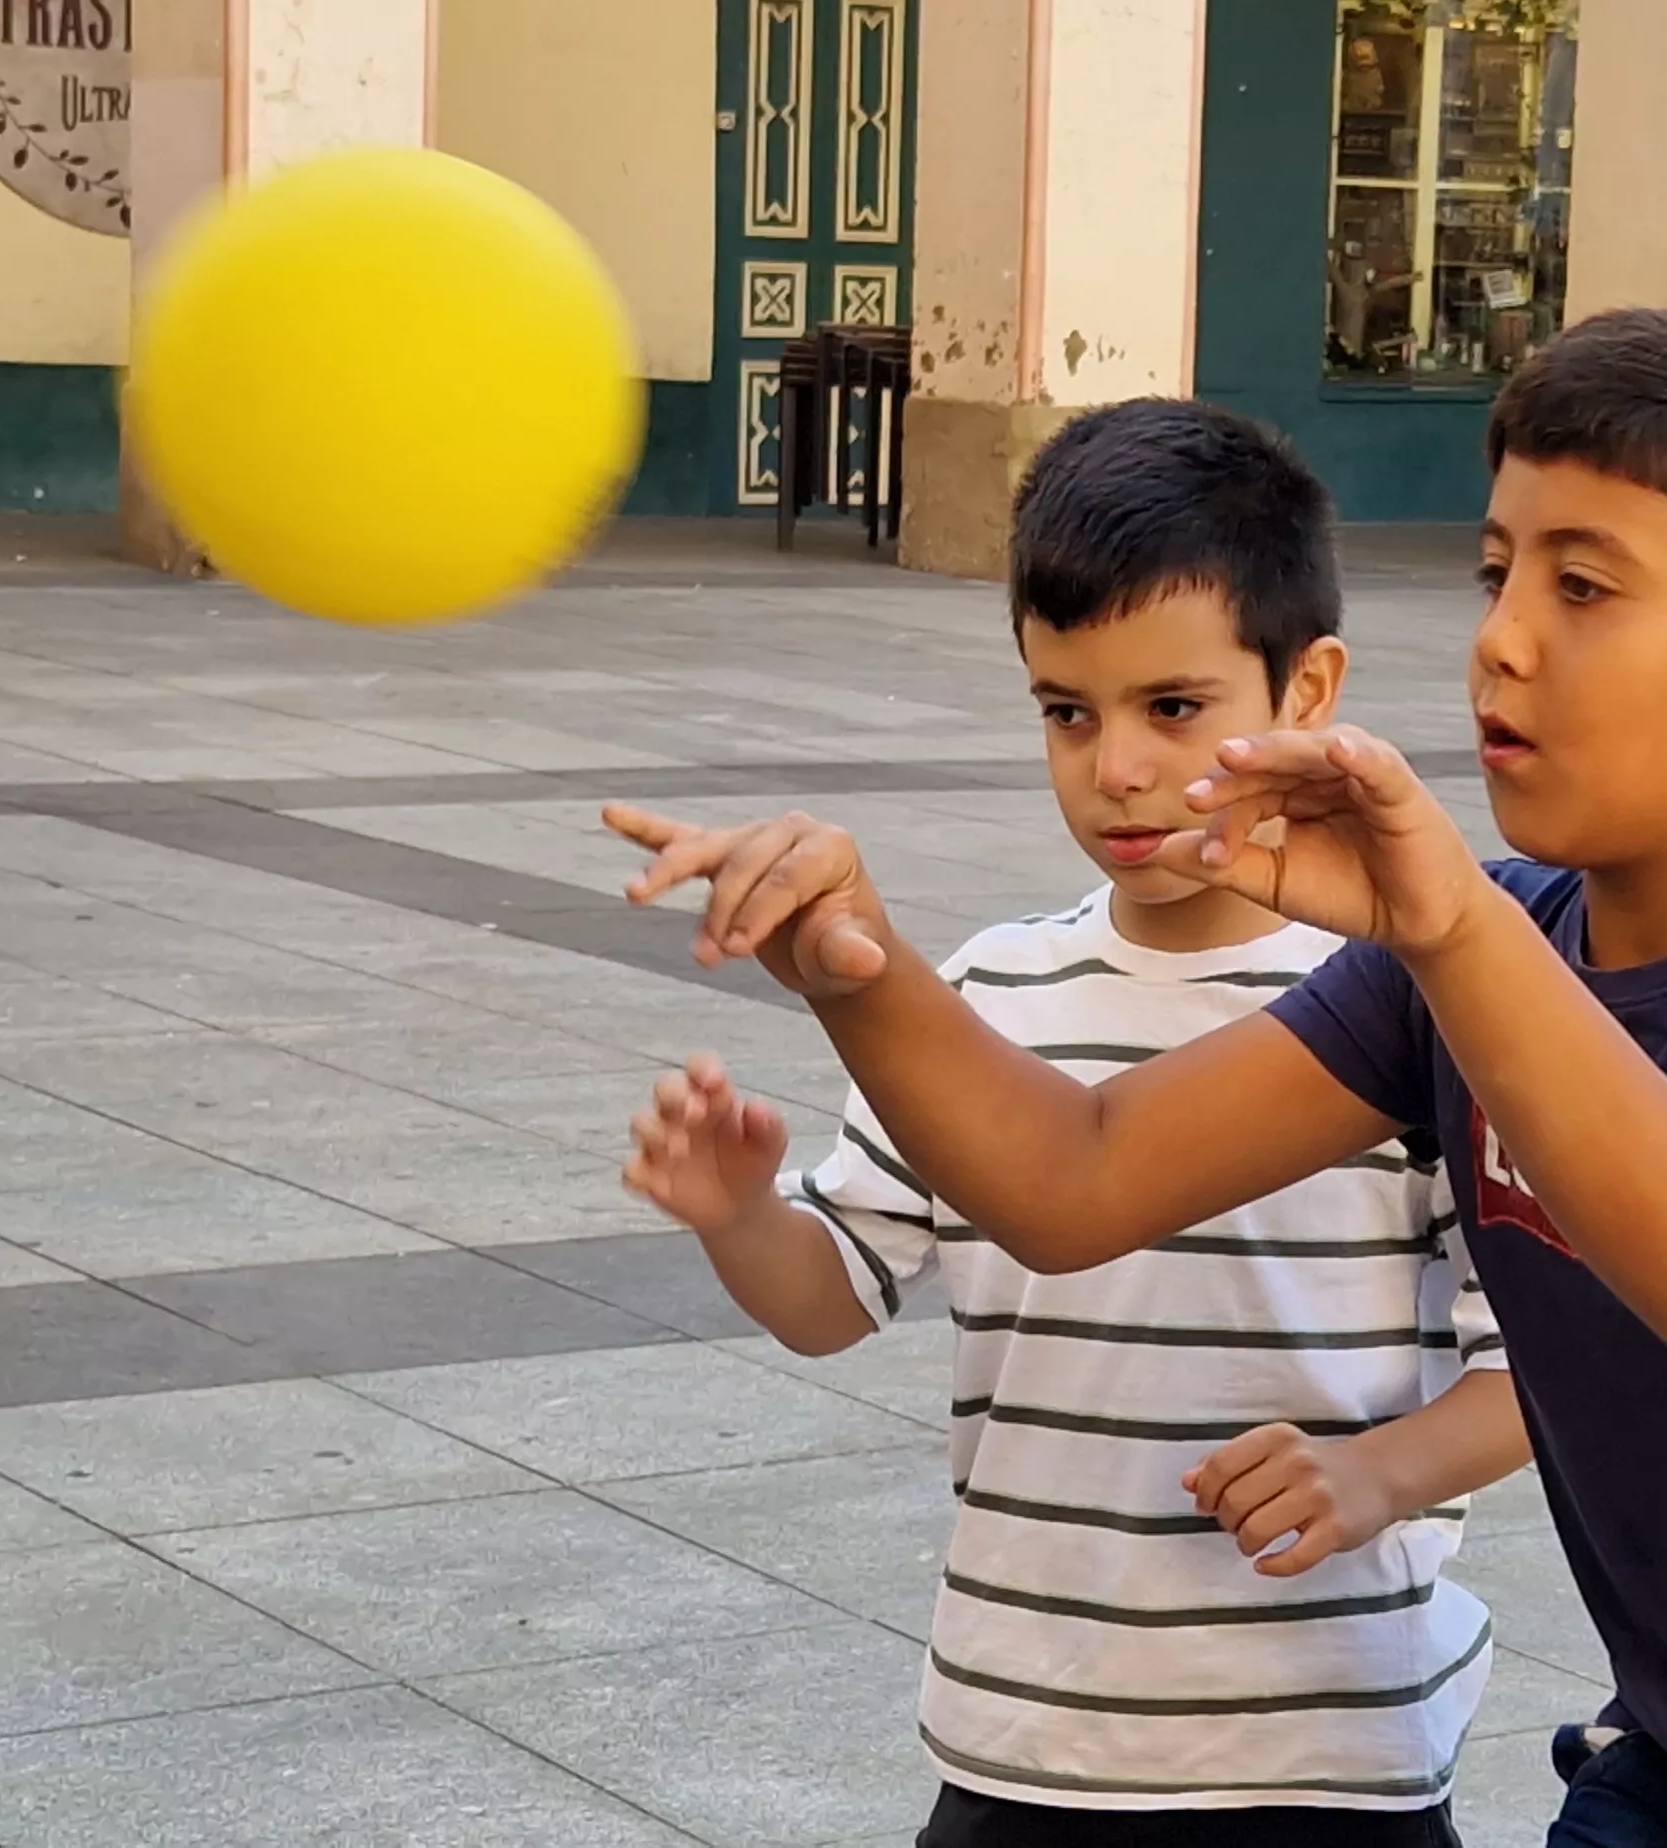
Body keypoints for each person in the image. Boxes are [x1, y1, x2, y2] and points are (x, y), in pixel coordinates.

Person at [607, 296, 1667, 1847]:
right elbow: (1075, 1177)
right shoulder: (1471, 952)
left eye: (1584, 590)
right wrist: (860, 971)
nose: (1501, 645)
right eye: (1494, 570)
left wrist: (1453, 928)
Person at [616, 398, 1527, 1848]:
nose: (1116, 768)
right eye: (1066, 711)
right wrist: (740, 1213)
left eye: (1175, 709)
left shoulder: (1415, 1006)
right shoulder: (985, 995)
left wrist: (1377, 1472)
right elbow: (832, 1298)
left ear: (1308, 691)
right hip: (1022, 1746)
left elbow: (1542, 1365)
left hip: (1321, 1753)